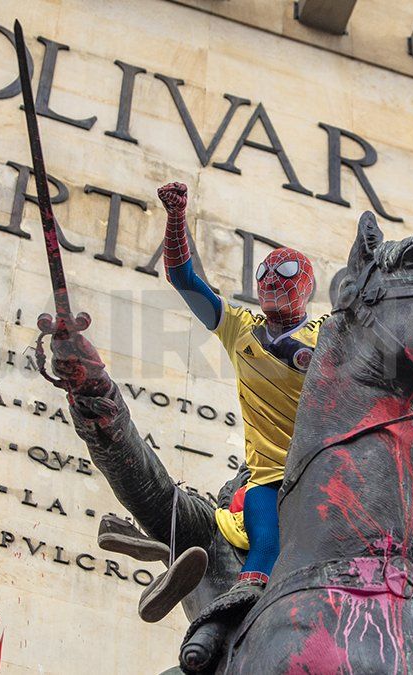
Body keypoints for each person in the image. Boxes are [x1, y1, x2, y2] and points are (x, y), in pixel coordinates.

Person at [131, 181, 321, 622]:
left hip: (325, 471)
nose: (271, 279)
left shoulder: (331, 335)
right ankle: (211, 631)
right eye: (264, 272)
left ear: (307, 285)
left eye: (285, 271)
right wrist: (176, 219)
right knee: (262, 552)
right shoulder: (239, 328)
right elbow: (183, 279)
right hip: (268, 478)